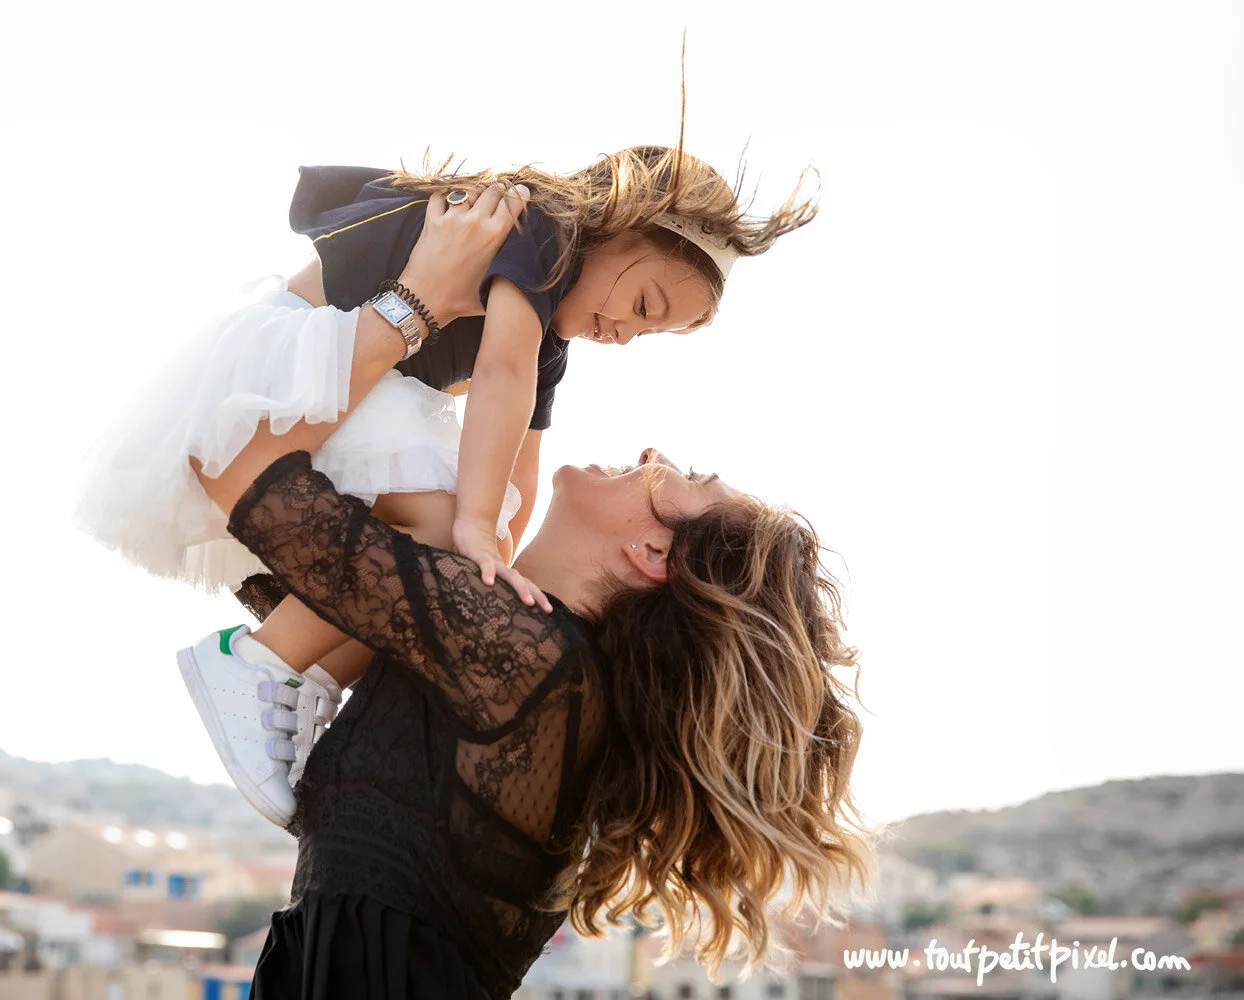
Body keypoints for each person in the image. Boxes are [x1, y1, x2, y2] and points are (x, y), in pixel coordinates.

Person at [171, 199, 874, 998]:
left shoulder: (523, 657)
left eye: (685, 477)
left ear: (653, 554)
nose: (652, 453)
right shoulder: (534, 669)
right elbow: (310, 561)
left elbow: (233, 469)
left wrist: (418, 301)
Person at [78, 143, 819, 828]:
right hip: (292, 361)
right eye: (647, 304)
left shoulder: (549, 335)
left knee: (435, 573)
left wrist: (491, 563)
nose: (626, 333)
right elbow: (499, 378)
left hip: (350, 382)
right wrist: (469, 531)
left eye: (649, 333)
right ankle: (257, 661)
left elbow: (520, 471)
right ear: (618, 225)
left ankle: (304, 681)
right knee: (440, 525)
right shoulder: (543, 228)